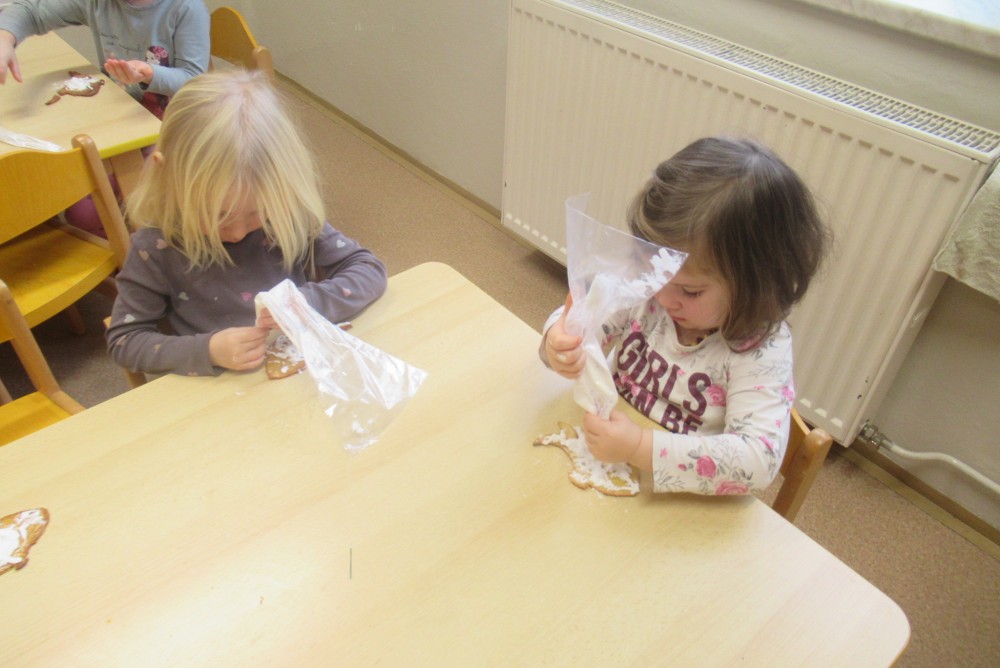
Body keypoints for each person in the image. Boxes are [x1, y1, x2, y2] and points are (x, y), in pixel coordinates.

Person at [540, 136, 830, 496]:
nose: (663, 297)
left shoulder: (759, 351)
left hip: (680, 498)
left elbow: (758, 461)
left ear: (757, 286)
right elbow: (583, 322)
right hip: (609, 454)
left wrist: (639, 447)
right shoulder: (651, 289)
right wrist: (559, 340)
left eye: (691, 292)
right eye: (654, 273)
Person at [106, 69, 389, 377]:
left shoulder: (286, 212)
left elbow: (368, 270)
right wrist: (207, 350)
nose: (238, 232)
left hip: (303, 372)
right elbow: (124, 341)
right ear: (169, 178)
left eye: (256, 213)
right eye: (218, 216)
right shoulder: (155, 247)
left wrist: (307, 304)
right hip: (222, 388)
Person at [0, 0, 209, 114]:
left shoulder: (187, 8)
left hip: (170, 125)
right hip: (118, 109)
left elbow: (193, 79)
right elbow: (30, 11)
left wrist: (149, 74)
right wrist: (5, 37)